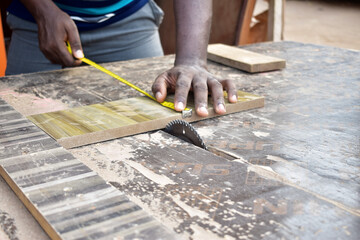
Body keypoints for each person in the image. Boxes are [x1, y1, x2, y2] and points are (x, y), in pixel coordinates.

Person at [5, 0, 237, 117]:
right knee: (21, 130)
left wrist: (193, 61)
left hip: (128, 18)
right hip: (36, 24)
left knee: (158, 118)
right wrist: (42, 9)